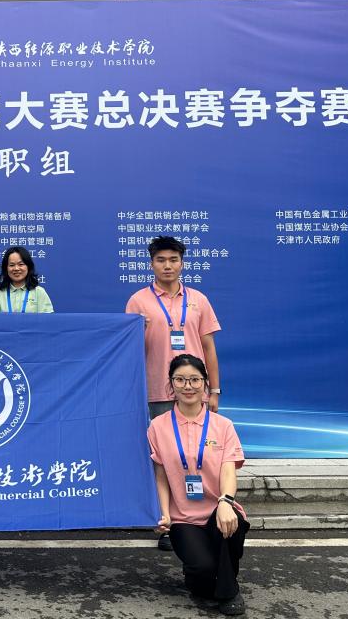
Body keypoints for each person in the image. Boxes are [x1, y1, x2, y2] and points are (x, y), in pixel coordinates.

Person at [126, 235, 221, 550]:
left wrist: (214, 389)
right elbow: (129, 350)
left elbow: (208, 347)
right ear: (151, 264)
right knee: (164, 460)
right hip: (156, 392)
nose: (167, 266)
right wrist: (138, 330)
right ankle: (167, 523)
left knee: (197, 457)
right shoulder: (138, 301)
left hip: (195, 392)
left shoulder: (199, 299)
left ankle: (201, 519)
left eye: (173, 260)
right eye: (161, 260)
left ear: (182, 263)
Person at [147, 355, 248, 616]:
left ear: (205, 383)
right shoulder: (157, 427)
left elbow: (229, 469)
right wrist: (164, 514)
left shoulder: (223, 425)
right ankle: (201, 574)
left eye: (194, 379)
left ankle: (230, 592)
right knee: (203, 572)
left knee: (232, 522)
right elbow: (160, 475)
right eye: (180, 379)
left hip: (217, 510)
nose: (188, 386)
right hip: (183, 518)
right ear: (171, 384)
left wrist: (226, 501)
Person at [0, 246, 54, 313]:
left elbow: (47, 318)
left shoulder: (39, 292)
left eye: (21, 264)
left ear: (28, 267)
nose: (16, 268)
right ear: (6, 268)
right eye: (12, 265)